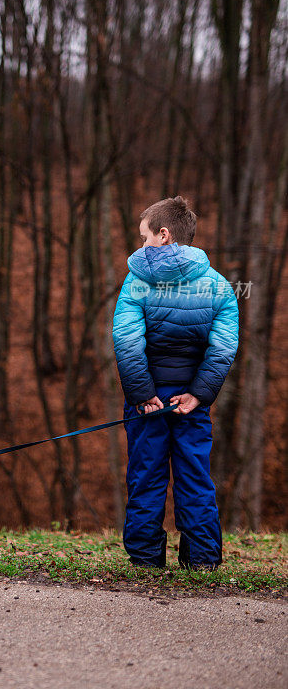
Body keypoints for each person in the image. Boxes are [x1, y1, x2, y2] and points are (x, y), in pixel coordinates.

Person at [112, 196, 239, 570]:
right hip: (191, 403)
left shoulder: (136, 282)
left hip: (147, 402)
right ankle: (201, 560)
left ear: (163, 235)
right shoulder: (218, 285)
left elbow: (126, 340)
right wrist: (199, 394)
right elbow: (223, 347)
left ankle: (146, 559)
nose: (140, 243)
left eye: (143, 236)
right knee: (195, 476)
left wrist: (143, 394)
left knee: (145, 476)